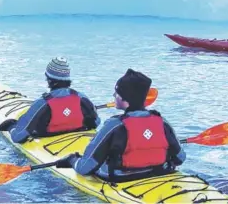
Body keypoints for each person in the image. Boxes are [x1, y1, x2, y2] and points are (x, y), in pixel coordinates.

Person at [55, 69, 185, 183]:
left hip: (120, 178)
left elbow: (85, 168)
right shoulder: (162, 122)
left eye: (116, 93)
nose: (113, 96)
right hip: (159, 173)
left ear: (124, 99)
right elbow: (180, 158)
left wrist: (72, 160)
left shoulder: (114, 126)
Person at [5, 57, 100, 143]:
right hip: (80, 140)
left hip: (49, 143)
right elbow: (96, 122)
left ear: (49, 79)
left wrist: (11, 127)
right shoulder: (82, 98)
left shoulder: (42, 103)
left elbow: (18, 137)